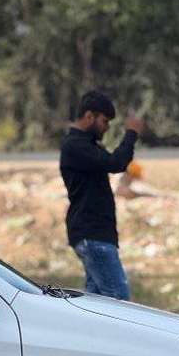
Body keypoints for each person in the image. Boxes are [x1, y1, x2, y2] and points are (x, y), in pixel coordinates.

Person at [60, 91, 145, 300]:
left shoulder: (86, 145)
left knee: (97, 305)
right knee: (118, 300)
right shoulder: (76, 146)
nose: (107, 128)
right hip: (93, 234)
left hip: (95, 233)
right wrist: (131, 133)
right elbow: (115, 163)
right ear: (89, 116)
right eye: (104, 121)